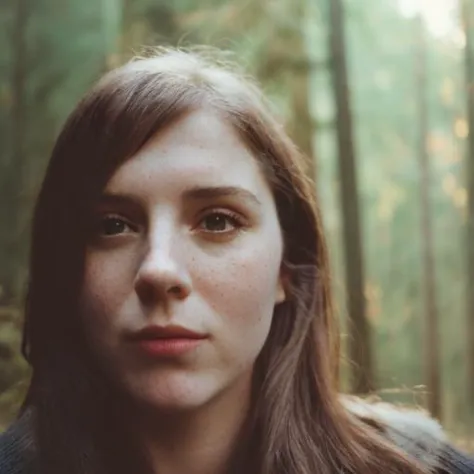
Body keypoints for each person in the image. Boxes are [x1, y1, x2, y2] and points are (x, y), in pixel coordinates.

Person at [0, 47, 472, 474]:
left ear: (287, 265)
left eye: (218, 221)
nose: (159, 270)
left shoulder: (419, 467)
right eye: (113, 226)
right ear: (65, 272)